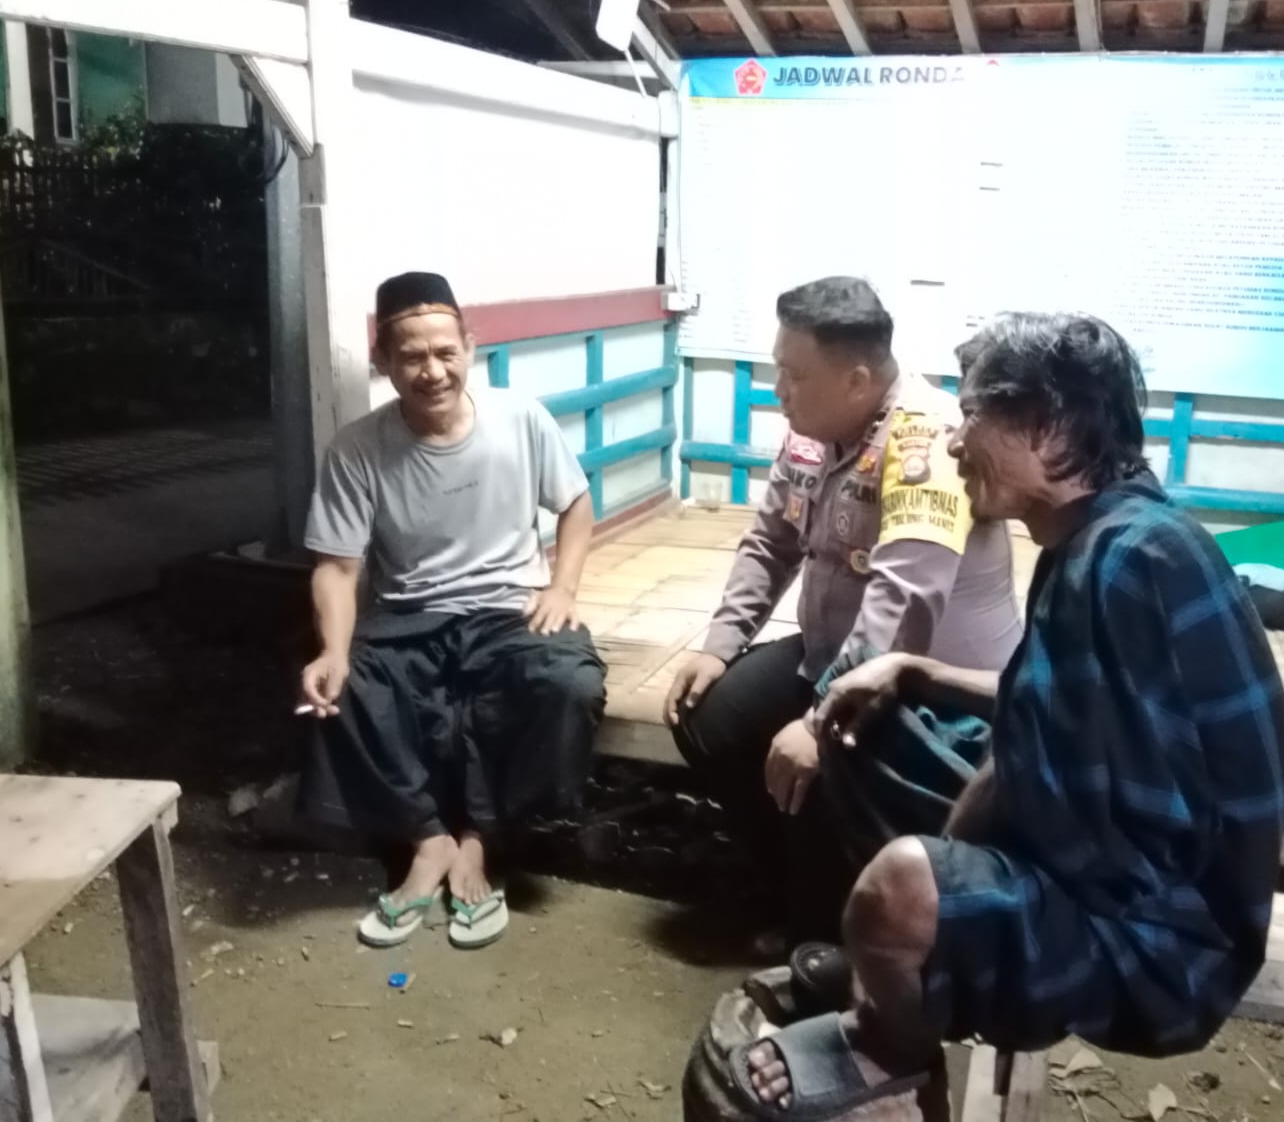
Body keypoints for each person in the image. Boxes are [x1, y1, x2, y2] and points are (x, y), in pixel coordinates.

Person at [731, 311, 1284, 1117]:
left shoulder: (1124, 566)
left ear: (1048, 427)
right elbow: (1047, 711)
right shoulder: (1110, 536)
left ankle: (890, 1042)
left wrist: (934, 886)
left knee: (894, 892)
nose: (956, 441)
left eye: (973, 417)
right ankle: (907, 966)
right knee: (866, 724)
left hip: (1169, 949)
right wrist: (918, 670)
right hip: (1134, 870)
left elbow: (1050, 791)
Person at [664, 276, 1021, 942]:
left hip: (932, 682)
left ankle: (833, 937)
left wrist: (818, 717)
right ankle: (783, 887)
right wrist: (719, 644)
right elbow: (770, 542)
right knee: (706, 718)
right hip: (834, 652)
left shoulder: (926, 444)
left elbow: (902, 603)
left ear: (857, 382)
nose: (779, 390)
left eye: (794, 375)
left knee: (827, 760)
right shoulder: (811, 433)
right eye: (778, 369)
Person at [297, 271, 606, 951]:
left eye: (445, 352)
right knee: (342, 688)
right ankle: (427, 838)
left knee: (568, 683)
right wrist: (334, 651)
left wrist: (562, 588)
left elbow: (576, 504)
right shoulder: (357, 448)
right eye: (412, 356)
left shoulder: (519, 418)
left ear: (470, 345)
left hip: (507, 611)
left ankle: (481, 839)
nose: (432, 371)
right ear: (382, 360)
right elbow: (338, 567)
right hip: (409, 612)